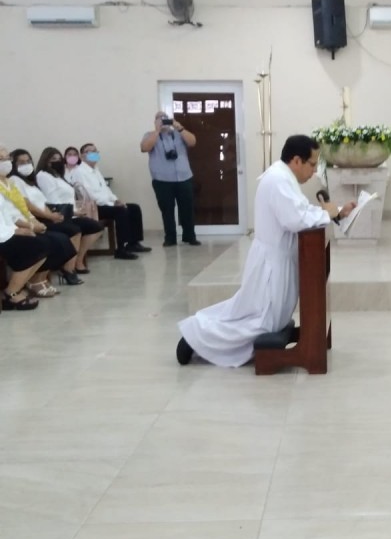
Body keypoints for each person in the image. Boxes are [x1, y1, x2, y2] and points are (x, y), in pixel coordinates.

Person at [176, 135, 356, 367]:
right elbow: (295, 219)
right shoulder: (278, 180)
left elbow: (300, 210)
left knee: (263, 318)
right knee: (260, 322)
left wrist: (338, 212)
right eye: (312, 164)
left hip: (279, 261)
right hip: (271, 265)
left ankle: (200, 334)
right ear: (296, 160)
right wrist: (329, 213)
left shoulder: (284, 177)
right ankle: (195, 338)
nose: (314, 171)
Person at [10, 148, 102, 277]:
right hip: (41, 218)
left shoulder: (38, 179)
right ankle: (67, 269)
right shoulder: (29, 177)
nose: (26, 165)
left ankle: (73, 265)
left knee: (92, 226)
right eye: (21, 162)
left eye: (28, 161)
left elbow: (43, 202)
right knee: (72, 231)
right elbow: (31, 204)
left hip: (57, 213)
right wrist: (51, 216)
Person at [0, 146, 76, 298]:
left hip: (13, 226)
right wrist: (23, 228)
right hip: (7, 232)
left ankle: (35, 281)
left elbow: (15, 212)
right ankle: (12, 292)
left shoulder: (10, 182)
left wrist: (32, 224)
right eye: (1, 159)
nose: (6, 162)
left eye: (7, 158)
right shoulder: (16, 180)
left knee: (58, 240)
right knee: (41, 244)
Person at [69, 143, 150, 259]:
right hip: (94, 207)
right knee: (121, 211)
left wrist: (116, 200)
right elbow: (90, 195)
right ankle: (121, 249)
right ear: (82, 155)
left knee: (134, 208)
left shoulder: (96, 170)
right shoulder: (79, 172)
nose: (94, 154)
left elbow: (106, 189)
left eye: (95, 151)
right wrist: (112, 204)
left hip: (106, 203)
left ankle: (133, 243)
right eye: (90, 151)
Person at [139, 111, 200, 247]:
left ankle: (189, 236)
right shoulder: (150, 135)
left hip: (184, 178)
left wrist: (179, 127)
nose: (163, 121)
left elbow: (193, 142)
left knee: (187, 208)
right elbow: (145, 147)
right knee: (167, 210)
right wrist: (157, 131)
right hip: (162, 179)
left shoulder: (178, 134)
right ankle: (170, 238)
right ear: (155, 121)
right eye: (160, 119)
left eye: (165, 119)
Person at [0, 193, 46, 311]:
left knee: (42, 246)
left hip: (6, 233)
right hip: (2, 236)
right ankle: (11, 293)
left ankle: (14, 289)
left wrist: (19, 229)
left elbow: (6, 215)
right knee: (32, 248)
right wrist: (14, 232)